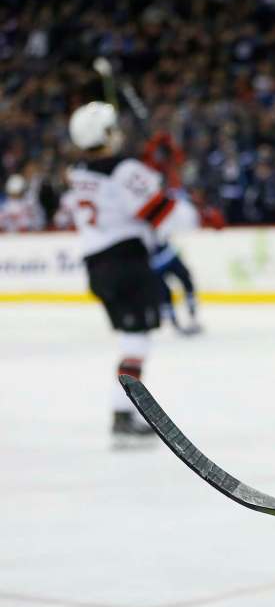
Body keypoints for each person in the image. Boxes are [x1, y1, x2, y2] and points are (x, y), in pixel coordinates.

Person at [62, 101, 177, 446]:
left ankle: (124, 413)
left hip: (98, 265)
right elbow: (159, 212)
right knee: (136, 342)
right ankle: (123, 415)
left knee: (132, 341)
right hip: (126, 261)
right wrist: (164, 170)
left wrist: (150, 168)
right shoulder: (123, 169)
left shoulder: (78, 171)